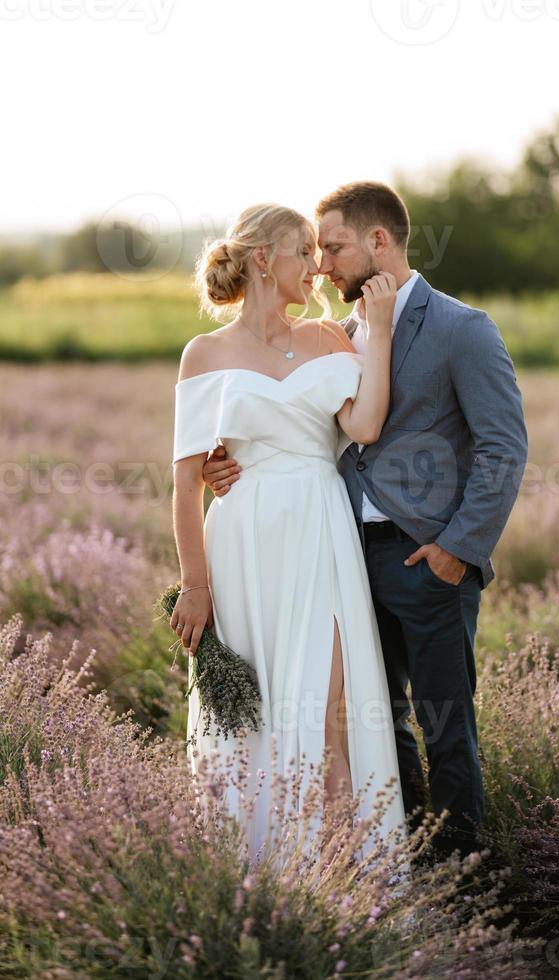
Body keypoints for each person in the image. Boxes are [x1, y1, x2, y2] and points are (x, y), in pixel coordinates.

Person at [203, 182, 529, 860]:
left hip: (429, 562)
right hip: (340, 558)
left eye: (334, 247)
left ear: (379, 242)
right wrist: (224, 461)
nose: (322, 265)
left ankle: (463, 874)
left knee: (449, 728)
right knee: (375, 726)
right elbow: (302, 424)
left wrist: (456, 550)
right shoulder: (338, 335)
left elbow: (504, 447)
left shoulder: (461, 328)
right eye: (316, 250)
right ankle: (403, 860)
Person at [170, 202, 407, 863]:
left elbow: (362, 427)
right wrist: (196, 585)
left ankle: (337, 881)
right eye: (304, 251)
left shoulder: (331, 337)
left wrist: (379, 333)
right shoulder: (204, 354)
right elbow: (186, 482)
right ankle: (254, 878)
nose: (318, 265)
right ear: (263, 260)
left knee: (329, 715)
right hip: (241, 542)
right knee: (251, 720)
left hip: (320, 533)